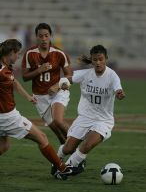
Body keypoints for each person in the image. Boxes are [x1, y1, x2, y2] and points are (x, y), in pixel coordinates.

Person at [0, 39, 73, 178]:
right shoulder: (2, 71)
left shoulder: (6, 67)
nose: (18, 57)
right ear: (10, 53)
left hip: (4, 117)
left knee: (3, 146)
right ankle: (62, 169)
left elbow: (14, 83)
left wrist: (28, 97)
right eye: (17, 54)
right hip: (8, 118)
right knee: (42, 138)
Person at [54, 44, 125, 178]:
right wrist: (61, 85)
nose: (98, 62)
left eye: (101, 59)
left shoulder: (112, 76)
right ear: (91, 60)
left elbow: (118, 88)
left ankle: (66, 169)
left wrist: (119, 93)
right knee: (67, 148)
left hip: (103, 121)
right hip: (84, 118)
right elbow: (66, 79)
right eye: (95, 60)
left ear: (106, 59)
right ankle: (56, 161)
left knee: (87, 145)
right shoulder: (86, 74)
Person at [21, 23, 73, 144]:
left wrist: (57, 86)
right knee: (59, 134)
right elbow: (24, 77)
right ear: (36, 37)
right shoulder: (30, 54)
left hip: (58, 93)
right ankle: (65, 155)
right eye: (40, 36)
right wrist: (39, 70)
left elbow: (69, 76)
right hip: (39, 97)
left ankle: (78, 149)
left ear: (50, 36)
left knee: (58, 121)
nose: (44, 39)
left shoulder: (59, 53)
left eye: (46, 35)